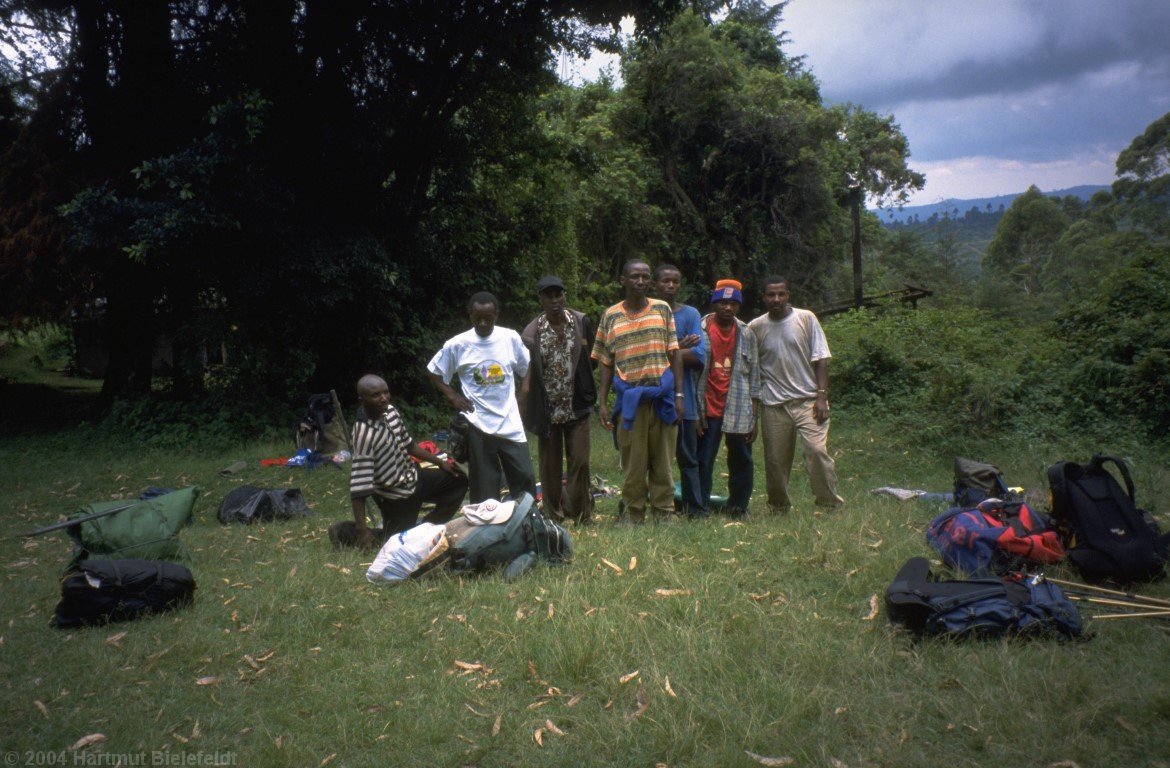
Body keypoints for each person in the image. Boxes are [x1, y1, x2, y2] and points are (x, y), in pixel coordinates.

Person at [593, 258, 684, 523]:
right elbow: (605, 361)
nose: (641, 282)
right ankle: (633, 513)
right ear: (623, 280)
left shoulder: (662, 309)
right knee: (632, 463)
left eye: (645, 277)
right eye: (635, 277)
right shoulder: (611, 315)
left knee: (663, 461)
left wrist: (679, 395)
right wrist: (602, 402)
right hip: (630, 401)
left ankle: (665, 511)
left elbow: (674, 353)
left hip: (661, 397)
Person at [428, 292, 537, 504]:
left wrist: (524, 392)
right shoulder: (457, 344)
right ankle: (487, 528)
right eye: (478, 317)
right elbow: (434, 371)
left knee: (524, 477)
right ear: (470, 315)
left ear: (497, 314)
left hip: (509, 420)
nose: (483, 322)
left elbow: (527, 364)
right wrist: (453, 396)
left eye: (489, 317)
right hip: (478, 422)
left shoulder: (510, 338)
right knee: (484, 486)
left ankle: (527, 522)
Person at [748, 276, 844, 513]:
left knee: (817, 451)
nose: (776, 299)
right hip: (774, 405)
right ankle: (778, 507)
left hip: (808, 401)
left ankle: (828, 503)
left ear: (788, 295)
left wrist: (821, 396)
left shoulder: (805, 318)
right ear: (764, 297)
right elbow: (750, 370)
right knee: (775, 461)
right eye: (771, 295)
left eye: (781, 294)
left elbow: (820, 359)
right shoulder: (755, 327)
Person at [349, 374, 468, 549]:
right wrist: (361, 529)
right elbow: (359, 486)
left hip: (414, 477)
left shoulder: (390, 411)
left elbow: (409, 445)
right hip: (395, 495)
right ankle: (347, 531)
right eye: (375, 395)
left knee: (459, 480)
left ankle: (428, 527)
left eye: (385, 393)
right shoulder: (363, 435)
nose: (383, 398)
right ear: (362, 400)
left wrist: (439, 462)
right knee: (397, 544)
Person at [521, 275, 597, 525]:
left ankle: (581, 512)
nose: (555, 300)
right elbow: (527, 372)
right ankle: (553, 514)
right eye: (549, 296)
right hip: (548, 409)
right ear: (540, 299)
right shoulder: (531, 333)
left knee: (581, 462)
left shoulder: (581, 321)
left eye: (558, 295)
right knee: (550, 466)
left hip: (577, 405)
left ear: (564, 296)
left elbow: (592, 358)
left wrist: (585, 386)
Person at [696, 279, 760, 518]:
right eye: (723, 302)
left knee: (742, 460)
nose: (728, 308)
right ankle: (700, 507)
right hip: (707, 407)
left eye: (733, 303)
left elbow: (755, 376)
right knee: (703, 459)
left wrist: (755, 416)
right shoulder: (700, 328)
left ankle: (738, 507)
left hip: (739, 407)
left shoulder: (747, 333)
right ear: (714, 303)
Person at [653, 264, 707, 518]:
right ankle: (652, 505)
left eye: (675, 281)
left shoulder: (691, 314)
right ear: (656, 284)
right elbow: (642, 356)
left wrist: (667, 352)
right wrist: (677, 348)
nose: (671, 286)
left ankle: (694, 508)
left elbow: (698, 356)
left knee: (688, 457)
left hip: (683, 398)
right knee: (651, 458)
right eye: (665, 281)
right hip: (653, 397)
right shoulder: (647, 314)